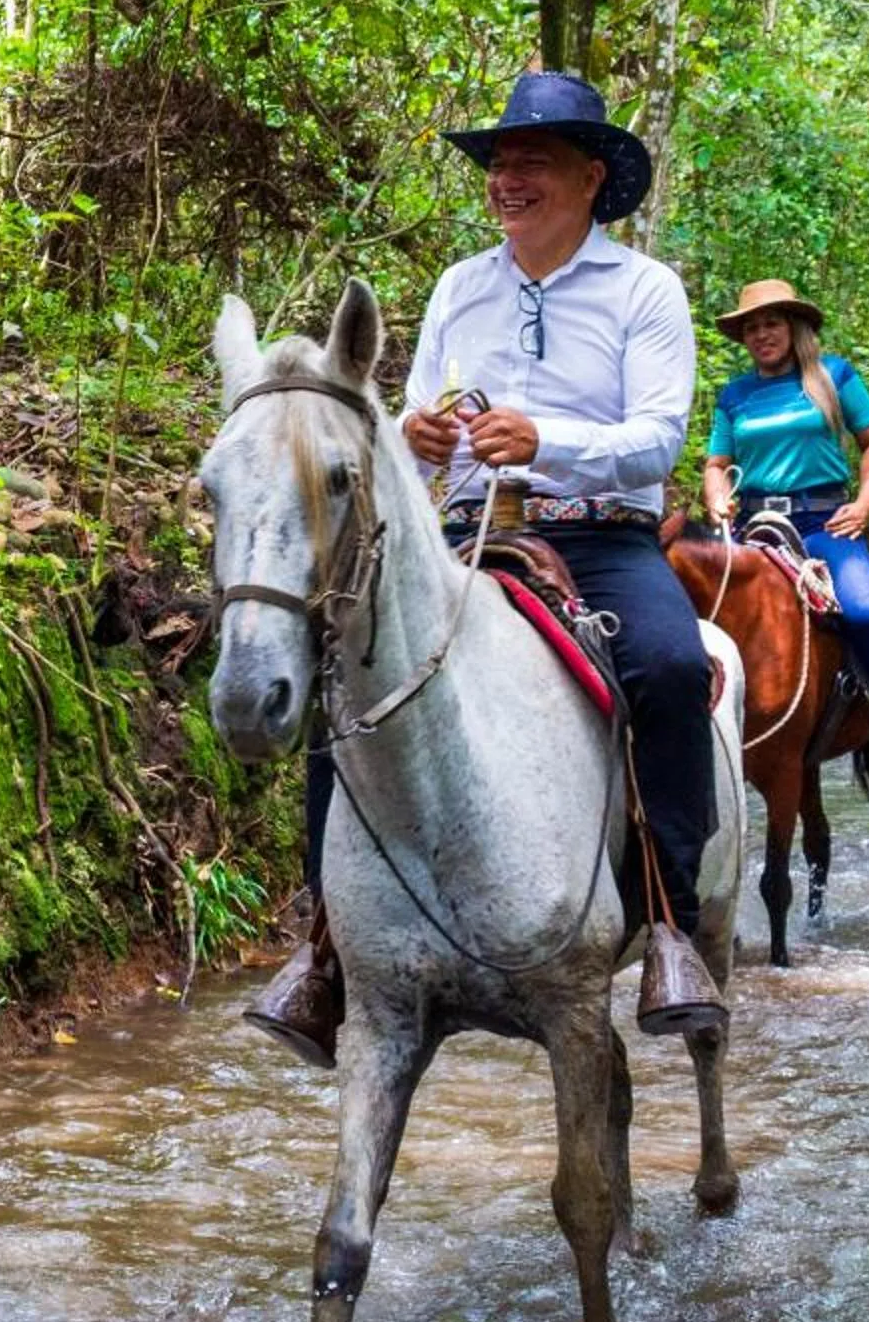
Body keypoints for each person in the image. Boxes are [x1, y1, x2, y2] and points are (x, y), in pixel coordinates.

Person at [244, 70, 722, 1067]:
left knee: (674, 669)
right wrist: (415, 435)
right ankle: (327, 948)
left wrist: (544, 440)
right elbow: (413, 435)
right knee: (348, 679)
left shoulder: (644, 290)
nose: (506, 179)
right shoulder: (462, 286)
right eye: (499, 163)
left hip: (599, 536)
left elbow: (656, 438)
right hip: (461, 534)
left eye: (530, 161)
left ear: (592, 176)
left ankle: (671, 921)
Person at [697, 279, 869, 792]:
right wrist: (716, 495)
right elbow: (716, 463)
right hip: (753, 528)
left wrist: (867, 501)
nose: (762, 334)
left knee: (868, 612)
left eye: (772, 323)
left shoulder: (832, 375)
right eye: (752, 327)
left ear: (793, 326)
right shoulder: (734, 394)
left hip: (823, 521)